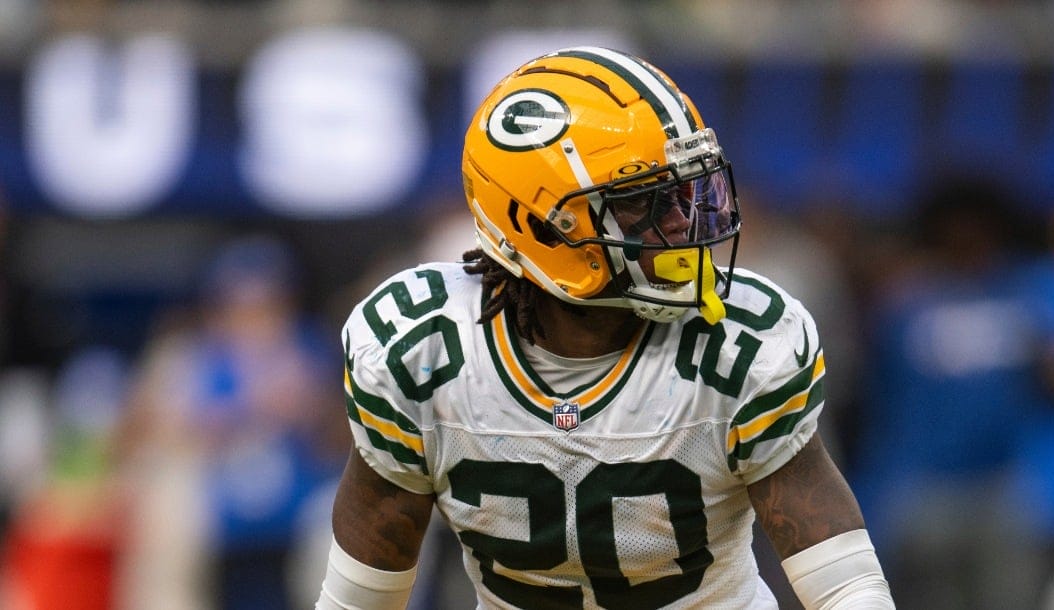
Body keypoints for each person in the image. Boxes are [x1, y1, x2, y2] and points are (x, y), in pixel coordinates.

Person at [315, 47, 894, 609]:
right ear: (544, 225)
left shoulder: (737, 343)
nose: (682, 222)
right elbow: (359, 599)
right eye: (646, 203)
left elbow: (845, 586)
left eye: (685, 192)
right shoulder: (425, 350)